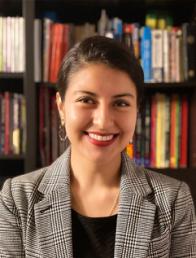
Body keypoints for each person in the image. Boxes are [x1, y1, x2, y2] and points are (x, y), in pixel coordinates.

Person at [0, 35, 195, 258]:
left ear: (136, 111)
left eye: (121, 103)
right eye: (86, 100)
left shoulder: (172, 200)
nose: (103, 122)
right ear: (61, 107)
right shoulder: (17, 199)